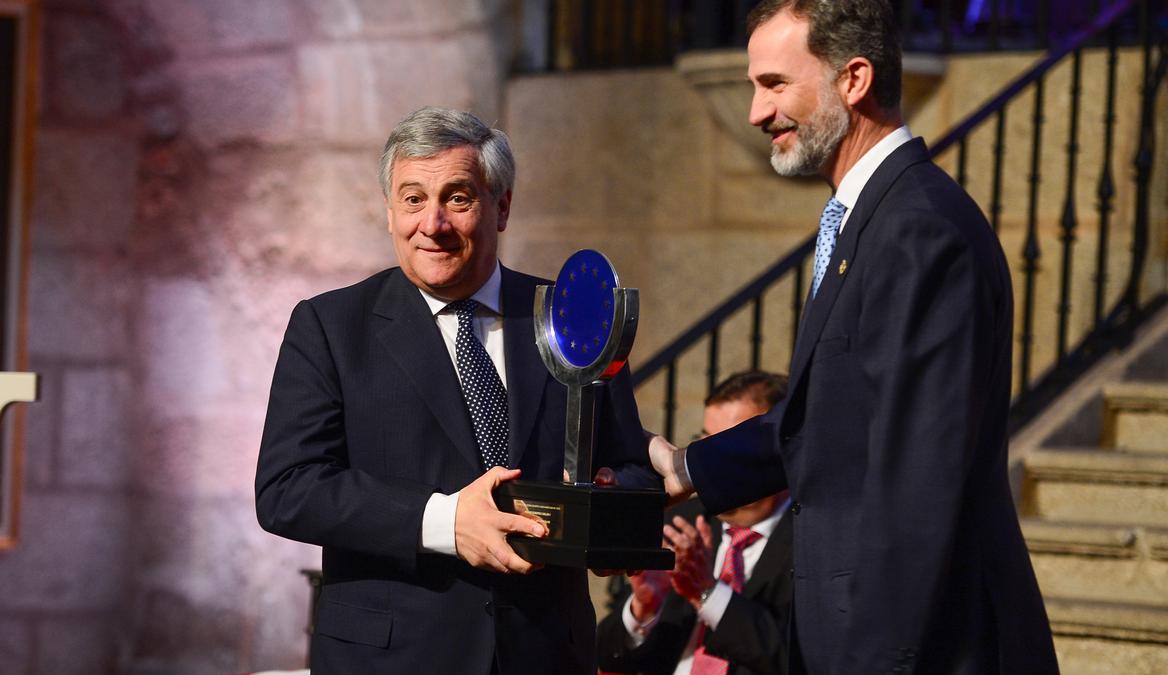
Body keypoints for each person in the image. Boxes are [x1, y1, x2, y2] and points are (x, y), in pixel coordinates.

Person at [648, 2, 1059, 673]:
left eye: (775, 84)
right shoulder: (869, 220)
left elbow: (917, 479)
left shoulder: (918, 231)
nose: (756, 112)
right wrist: (689, 467)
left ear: (855, 79)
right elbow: (830, 421)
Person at [255, 106, 656, 674]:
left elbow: (631, 466)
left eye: (458, 198)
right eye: (413, 199)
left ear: (503, 207)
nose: (433, 224)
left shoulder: (570, 315)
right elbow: (288, 489)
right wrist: (443, 521)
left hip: (545, 654)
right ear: (389, 212)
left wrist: (608, 508)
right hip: (391, 658)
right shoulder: (330, 326)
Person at [598, 371, 793, 675]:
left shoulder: (814, 538)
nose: (714, 465)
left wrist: (706, 591)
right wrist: (643, 607)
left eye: (727, 450)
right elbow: (607, 654)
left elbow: (800, 657)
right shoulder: (679, 523)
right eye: (705, 443)